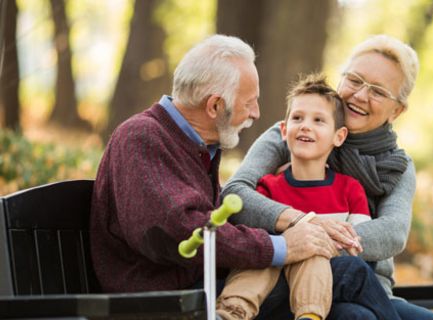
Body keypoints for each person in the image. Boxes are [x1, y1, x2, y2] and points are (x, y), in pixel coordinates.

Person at [89, 34, 404, 320]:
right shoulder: (143, 137)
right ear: (215, 105)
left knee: (352, 316)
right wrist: (280, 246)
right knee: (349, 271)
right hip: (172, 301)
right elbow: (181, 231)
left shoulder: (193, 145)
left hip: (204, 285)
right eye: (249, 102)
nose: (255, 113)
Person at [222, 35, 433, 320]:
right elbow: (236, 193)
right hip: (283, 278)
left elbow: (392, 233)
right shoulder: (291, 134)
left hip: (368, 285)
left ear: (397, 110)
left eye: (378, 91)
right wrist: (300, 224)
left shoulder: (397, 166)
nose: (360, 95)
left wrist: (317, 239)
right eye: (354, 80)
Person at [217, 74, 388, 320]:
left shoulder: (350, 190)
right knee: (271, 249)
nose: (305, 125)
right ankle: (231, 313)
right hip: (269, 284)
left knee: (314, 249)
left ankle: (309, 316)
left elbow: (359, 251)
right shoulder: (268, 189)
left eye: (319, 120)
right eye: (297, 118)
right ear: (284, 131)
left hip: (323, 284)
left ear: (339, 136)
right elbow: (257, 242)